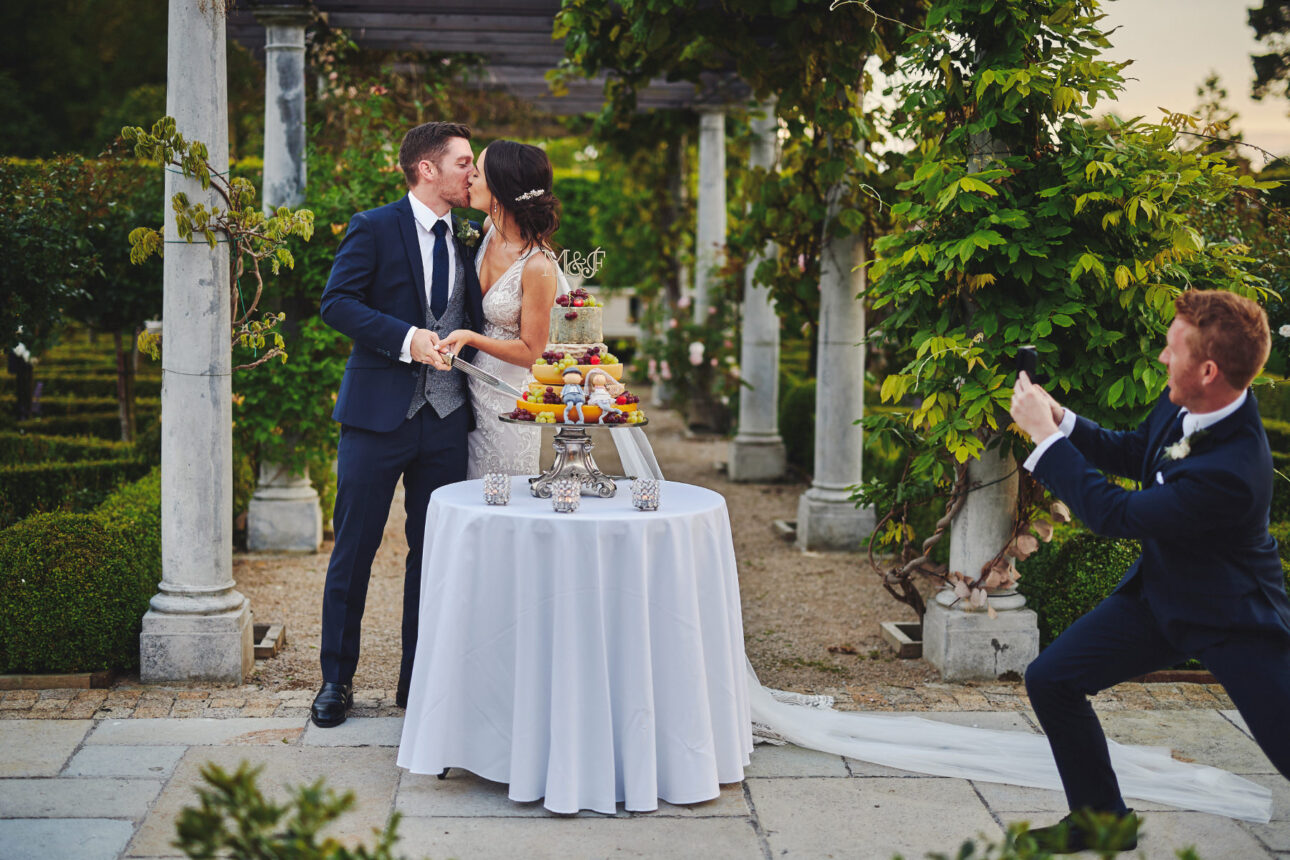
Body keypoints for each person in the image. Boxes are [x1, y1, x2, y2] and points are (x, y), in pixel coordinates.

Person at [1009, 289, 1290, 853]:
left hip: (1231, 615)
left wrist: (1043, 439)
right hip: (1160, 596)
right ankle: (1101, 822)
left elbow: (1115, 515)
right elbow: (1135, 448)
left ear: (1208, 369)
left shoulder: (1235, 469)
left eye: (1172, 348)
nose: (1163, 357)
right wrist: (1062, 419)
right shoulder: (1183, 402)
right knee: (1051, 679)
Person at [312, 121, 485, 728]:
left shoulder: (472, 239)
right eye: (464, 162)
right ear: (427, 169)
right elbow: (337, 302)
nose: (472, 172)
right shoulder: (374, 226)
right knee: (354, 548)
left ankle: (417, 682)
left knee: (431, 554)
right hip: (375, 417)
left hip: (445, 419)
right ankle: (336, 680)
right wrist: (408, 339)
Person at [432, 139, 565, 476]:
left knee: (504, 498)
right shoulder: (488, 231)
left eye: (477, 173)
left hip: (507, 402)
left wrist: (470, 338)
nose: (470, 179)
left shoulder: (537, 265)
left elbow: (532, 351)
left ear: (501, 186)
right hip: (468, 395)